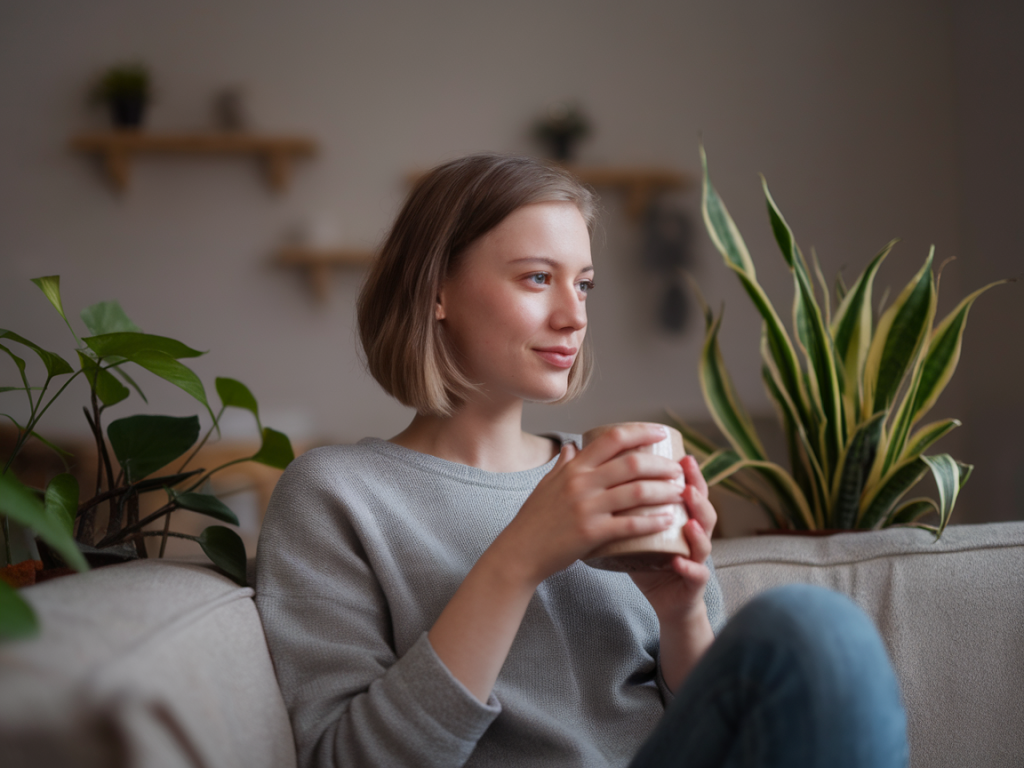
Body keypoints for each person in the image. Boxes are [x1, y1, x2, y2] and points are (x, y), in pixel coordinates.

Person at [255, 153, 908, 768]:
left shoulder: (609, 476)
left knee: (818, 629)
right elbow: (345, 758)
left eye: (585, 285)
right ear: (437, 293)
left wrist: (680, 610)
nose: (574, 316)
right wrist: (517, 560)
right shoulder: (335, 495)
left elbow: (716, 732)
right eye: (538, 278)